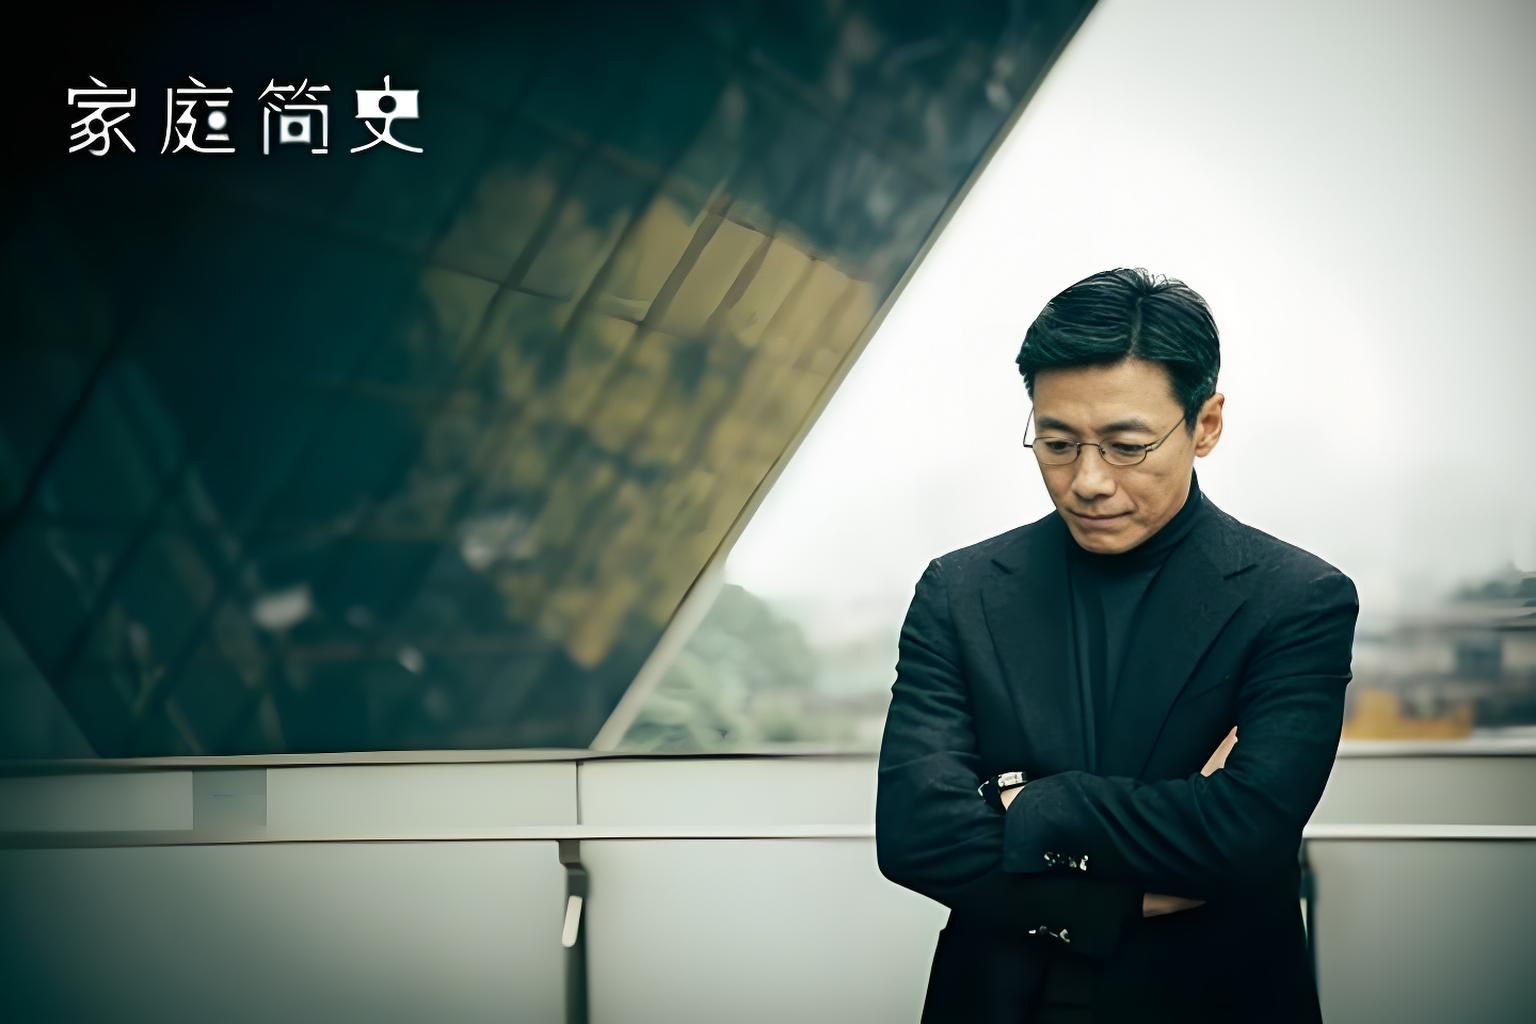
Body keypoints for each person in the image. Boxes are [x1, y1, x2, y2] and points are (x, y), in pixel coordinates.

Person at [875, 267, 1360, 1023]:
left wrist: (1028, 801)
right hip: (1001, 1001)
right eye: (1057, 443)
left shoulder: (1297, 598)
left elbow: (1245, 834)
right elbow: (915, 834)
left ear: (1206, 425)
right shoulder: (959, 591)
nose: (1088, 481)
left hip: (1214, 1002)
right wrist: (1120, 901)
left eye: (1126, 445)